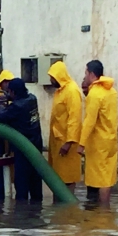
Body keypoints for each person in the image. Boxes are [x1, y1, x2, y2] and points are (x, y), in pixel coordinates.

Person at [0, 77, 44, 202]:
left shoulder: (17, 106)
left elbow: (2, 116)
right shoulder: (32, 99)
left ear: (13, 92)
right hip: (36, 145)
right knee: (35, 181)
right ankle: (36, 211)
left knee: (21, 183)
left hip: (24, 149)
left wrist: (1, 105)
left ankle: (21, 215)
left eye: (9, 92)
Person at [78, 60, 118, 206]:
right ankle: (106, 212)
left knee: (101, 179)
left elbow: (90, 121)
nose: (85, 76)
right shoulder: (111, 91)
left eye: (86, 73)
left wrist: (81, 144)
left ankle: (102, 212)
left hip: (98, 143)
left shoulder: (94, 94)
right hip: (111, 141)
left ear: (92, 74)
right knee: (107, 177)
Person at [46, 61, 83, 196]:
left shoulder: (72, 91)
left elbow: (75, 119)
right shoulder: (60, 91)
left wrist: (69, 142)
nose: (50, 80)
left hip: (67, 144)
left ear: (59, 76)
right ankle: (61, 210)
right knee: (58, 177)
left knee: (67, 178)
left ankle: (68, 208)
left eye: (52, 77)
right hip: (57, 141)